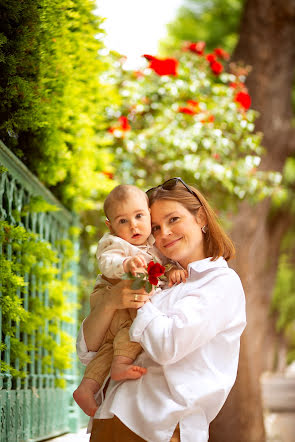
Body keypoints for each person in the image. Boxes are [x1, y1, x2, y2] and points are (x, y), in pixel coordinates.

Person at [77, 177, 246, 442]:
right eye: (155, 226)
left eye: (173, 219)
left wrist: (137, 295)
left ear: (200, 217)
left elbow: (167, 345)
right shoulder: (161, 277)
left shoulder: (220, 283)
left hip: (161, 428)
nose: (163, 233)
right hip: (110, 416)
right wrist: (111, 300)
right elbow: (90, 349)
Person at [73, 184, 186, 417]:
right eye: (123, 221)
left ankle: (87, 387)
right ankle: (121, 366)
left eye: (139, 216)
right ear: (110, 226)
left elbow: (164, 268)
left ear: (148, 213)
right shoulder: (115, 244)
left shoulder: (156, 247)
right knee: (136, 329)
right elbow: (107, 262)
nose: (133, 225)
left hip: (124, 307)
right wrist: (125, 264)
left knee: (109, 348)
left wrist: (172, 270)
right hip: (110, 291)